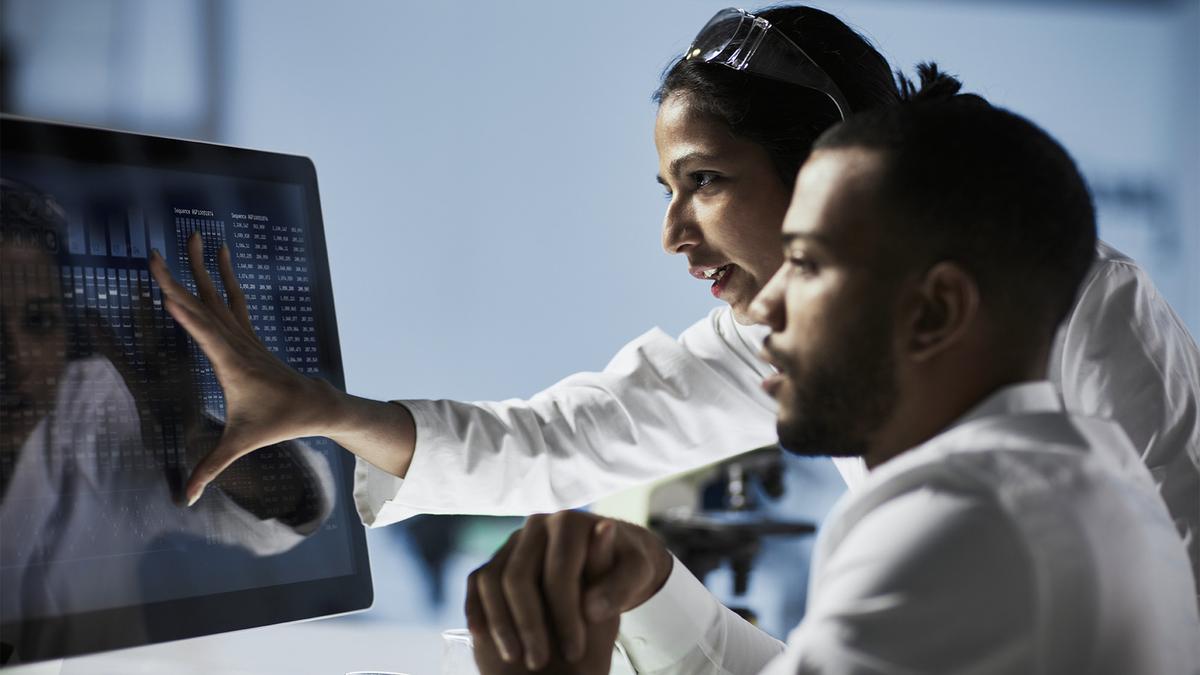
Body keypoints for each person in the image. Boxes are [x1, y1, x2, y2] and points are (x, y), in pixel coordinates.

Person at [148, 5, 1200, 595]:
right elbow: (557, 440)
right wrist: (321, 414)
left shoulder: (1079, 306)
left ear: (830, 167)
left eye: (704, 181)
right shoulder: (769, 334)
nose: (673, 234)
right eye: (667, 190)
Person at [463, 67, 1200, 675]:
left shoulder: (963, 522)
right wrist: (656, 592)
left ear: (936, 309)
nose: (768, 305)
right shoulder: (1080, 486)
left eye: (807, 264)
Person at [0, 179, 334, 661]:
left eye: (39, 321)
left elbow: (297, 507)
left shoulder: (95, 411)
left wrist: (195, 436)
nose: (15, 359)